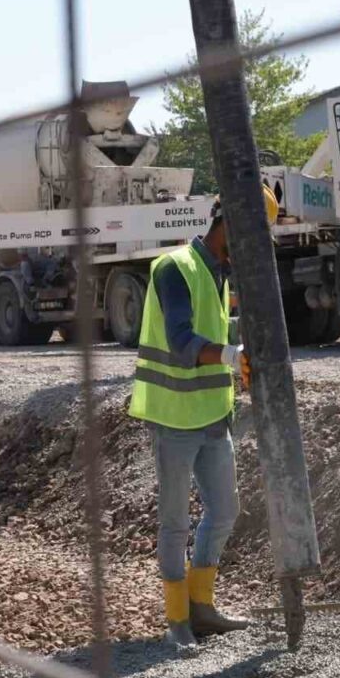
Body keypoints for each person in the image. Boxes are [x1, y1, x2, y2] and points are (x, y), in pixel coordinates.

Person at [128, 187, 276, 650]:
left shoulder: (220, 275)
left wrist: (241, 360)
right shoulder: (175, 268)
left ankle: (202, 607)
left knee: (225, 509)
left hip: (214, 414)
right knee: (174, 521)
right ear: (226, 224)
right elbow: (180, 340)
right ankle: (176, 619)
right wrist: (232, 355)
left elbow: (215, 335)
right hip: (174, 415)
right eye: (250, 235)